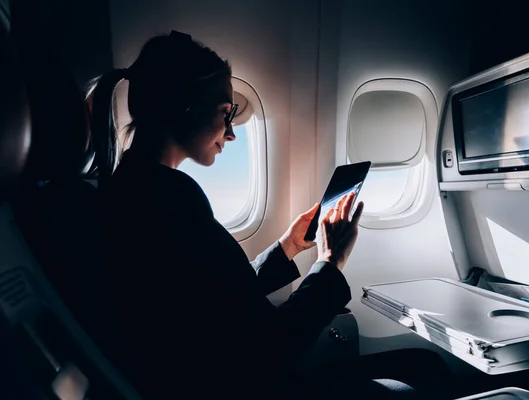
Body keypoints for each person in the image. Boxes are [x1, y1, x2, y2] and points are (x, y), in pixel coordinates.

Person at [89, 30, 417, 399]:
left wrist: (289, 246)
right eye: (226, 113)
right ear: (186, 105)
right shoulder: (167, 201)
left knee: (417, 364)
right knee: (415, 377)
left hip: (219, 375)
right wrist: (330, 262)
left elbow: (220, 299)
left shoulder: (139, 186)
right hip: (239, 385)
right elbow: (270, 348)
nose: (230, 134)